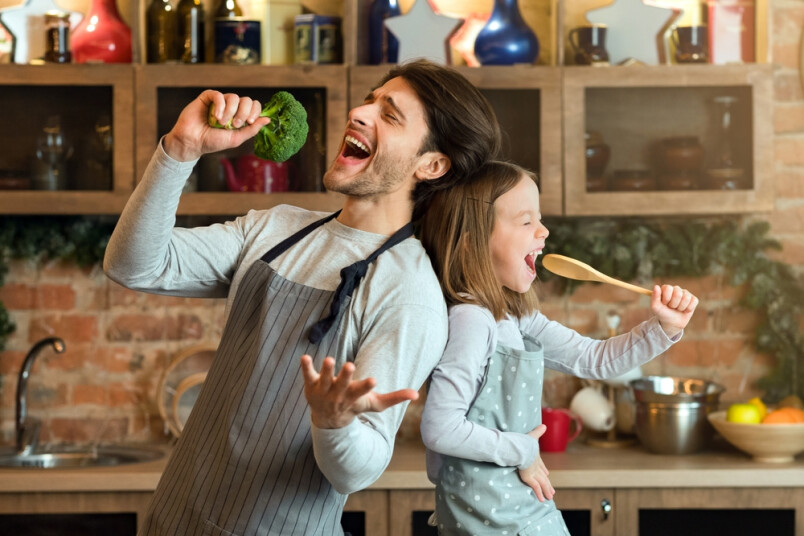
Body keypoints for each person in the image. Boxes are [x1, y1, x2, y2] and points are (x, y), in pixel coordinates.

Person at [103, 59, 502, 536]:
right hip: (172, 521)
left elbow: (358, 469)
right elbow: (134, 265)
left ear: (431, 165)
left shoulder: (408, 292)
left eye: (389, 114)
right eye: (370, 99)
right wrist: (181, 150)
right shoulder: (276, 229)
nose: (359, 111)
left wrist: (334, 422)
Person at [418, 161, 699, 535]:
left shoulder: (515, 317)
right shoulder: (472, 321)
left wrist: (663, 327)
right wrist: (522, 451)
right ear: (472, 241)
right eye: (526, 221)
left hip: (516, 508)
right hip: (493, 519)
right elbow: (440, 428)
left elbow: (593, 359)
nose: (544, 231)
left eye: (540, 218)